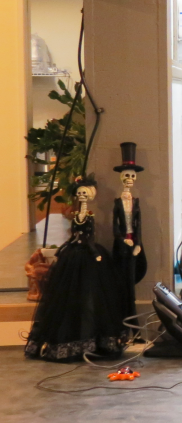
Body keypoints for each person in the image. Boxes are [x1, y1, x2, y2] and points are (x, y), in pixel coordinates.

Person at [25, 176, 128, 362]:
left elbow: (89, 236)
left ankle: (95, 341)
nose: (81, 196)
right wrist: (64, 249)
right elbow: (75, 235)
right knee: (67, 295)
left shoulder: (89, 215)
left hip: (87, 254)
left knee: (93, 295)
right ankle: (67, 340)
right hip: (73, 253)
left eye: (84, 193)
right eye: (79, 193)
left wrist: (93, 251)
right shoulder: (76, 216)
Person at [112, 142, 147, 321]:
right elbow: (114, 226)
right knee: (121, 280)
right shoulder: (118, 203)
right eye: (126, 175)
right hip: (122, 244)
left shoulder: (136, 202)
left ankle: (132, 317)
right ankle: (122, 317)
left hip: (134, 243)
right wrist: (121, 240)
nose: (129, 179)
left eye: (132, 176)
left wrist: (138, 243)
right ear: (121, 177)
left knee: (132, 278)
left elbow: (139, 225)